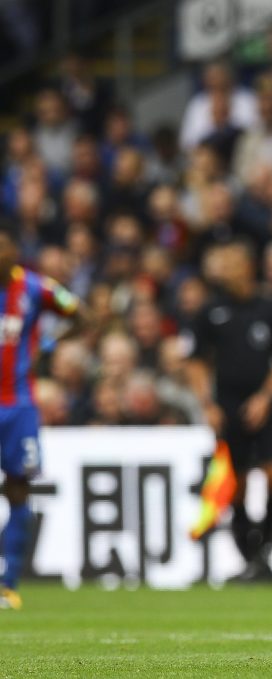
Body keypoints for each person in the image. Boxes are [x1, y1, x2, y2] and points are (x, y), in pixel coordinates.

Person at [184, 240, 272, 582]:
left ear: (247, 267)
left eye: (231, 264)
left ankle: (264, 553)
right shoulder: (210, 311)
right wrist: (207, 404)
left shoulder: (270, 308)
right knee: (238, 485)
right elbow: (196, 363)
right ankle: (251, 560)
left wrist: (266, 397)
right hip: (228, 407)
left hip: (266, 406)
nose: (224, 271)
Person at [0, 220, 81, 609]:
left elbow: (77, 311)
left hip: (18, 405)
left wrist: (47, 343)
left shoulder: (36, 288)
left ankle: (7, 581)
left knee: (18, 487)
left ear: (14, 253)